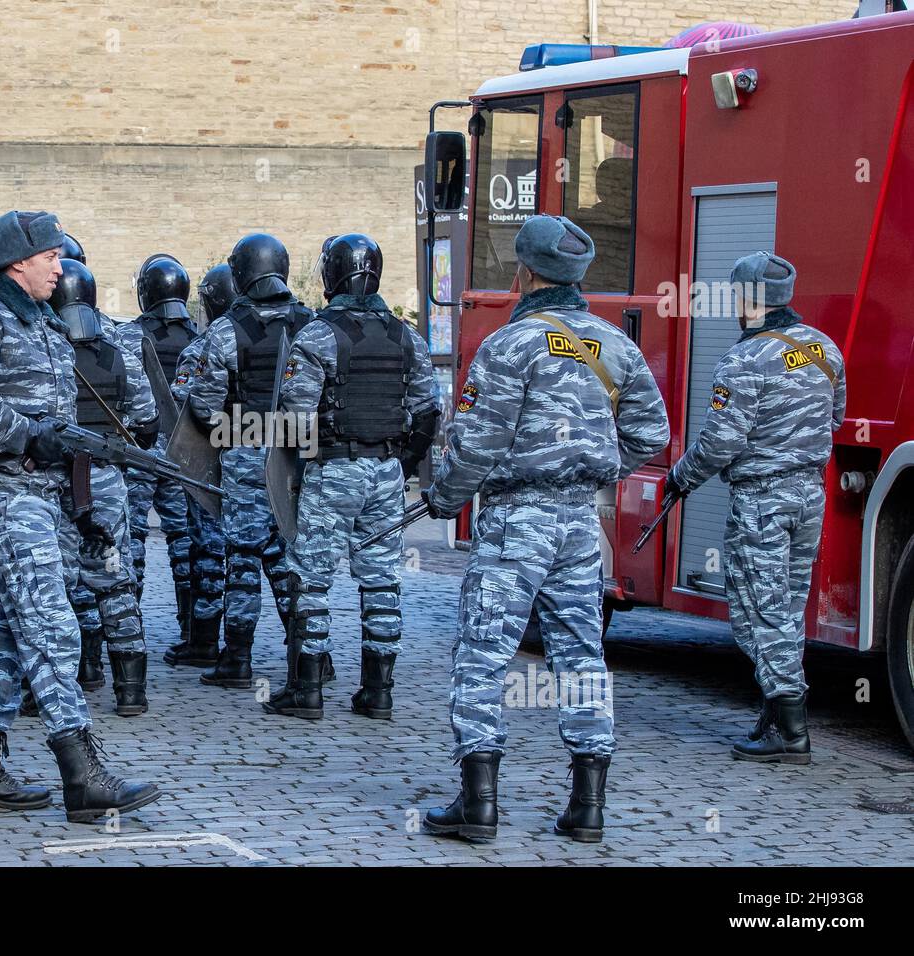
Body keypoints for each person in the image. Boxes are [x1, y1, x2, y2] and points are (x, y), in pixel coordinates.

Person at [421, 214, 669, 844]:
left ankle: (478, 804)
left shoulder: (510, 346)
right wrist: (596, 467)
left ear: (524, 274)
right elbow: (652, 435)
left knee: (483, 653)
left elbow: (476, 442)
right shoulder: (616, 346)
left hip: (514, 521)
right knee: (582, 655)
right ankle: (588, 807)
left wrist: (445, 498)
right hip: (580, 524)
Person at [0, 209, 160, 819]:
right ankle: (82, 774)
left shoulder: (40, 322)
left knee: (12, 631)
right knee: (53, 626)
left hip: (50, 496)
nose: (62, 268)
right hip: (7, 492)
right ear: (18, 262)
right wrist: (29, 437)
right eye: (51, 257)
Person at [666, 252, 845, 765]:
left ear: (746, 298)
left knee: (756, 616)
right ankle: (775, 712)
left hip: (762, 501)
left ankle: (790, 732)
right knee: (786, 610)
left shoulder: (744, 361)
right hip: (809, 496)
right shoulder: (824, 350)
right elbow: (836, 416)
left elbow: (721, 442)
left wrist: (681, 478)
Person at [267, 234, 439, 720]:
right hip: (387, 473)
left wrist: (307, 462)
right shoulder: (409, 337)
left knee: (311, 579)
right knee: (382, 580)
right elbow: (428, 411)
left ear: (330, 276)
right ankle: (377, 693)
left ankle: (306, 691)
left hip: (333, 469)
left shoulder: (318, 336)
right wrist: (399, 463)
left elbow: (295, 416)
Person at [186, 233, 314, 689]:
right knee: (289, 556)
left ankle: (237, 659)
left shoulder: (225, 330)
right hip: (298, 457)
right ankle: (309, 657)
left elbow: (202, 406)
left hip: (244, 457)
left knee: (242, 558)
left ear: (240, 274)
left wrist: (235, 428)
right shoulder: (311, 324)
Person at [50, 258, 159, 714]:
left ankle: (61, 683)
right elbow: (149, 422)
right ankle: (131, 690)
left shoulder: (40, 352)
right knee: (115, 584)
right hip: (106, 483)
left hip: (50, 482)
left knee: (51, 584)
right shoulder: (119, 354)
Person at [161, 263, 234, 668]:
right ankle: (308, 657)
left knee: (208, 551)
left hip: (215, 467)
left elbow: (187, 408)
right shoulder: (286, 337)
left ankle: (204, 640)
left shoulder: (204, 348)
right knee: (277, 558)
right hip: (268, 465)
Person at [116, 255, 195, 629]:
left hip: (140, 448)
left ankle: (129, 622)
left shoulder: (128, 335)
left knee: (132, 535)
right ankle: (194, 628)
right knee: (184, 536)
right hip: (184, 451)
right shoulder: (202, 336)